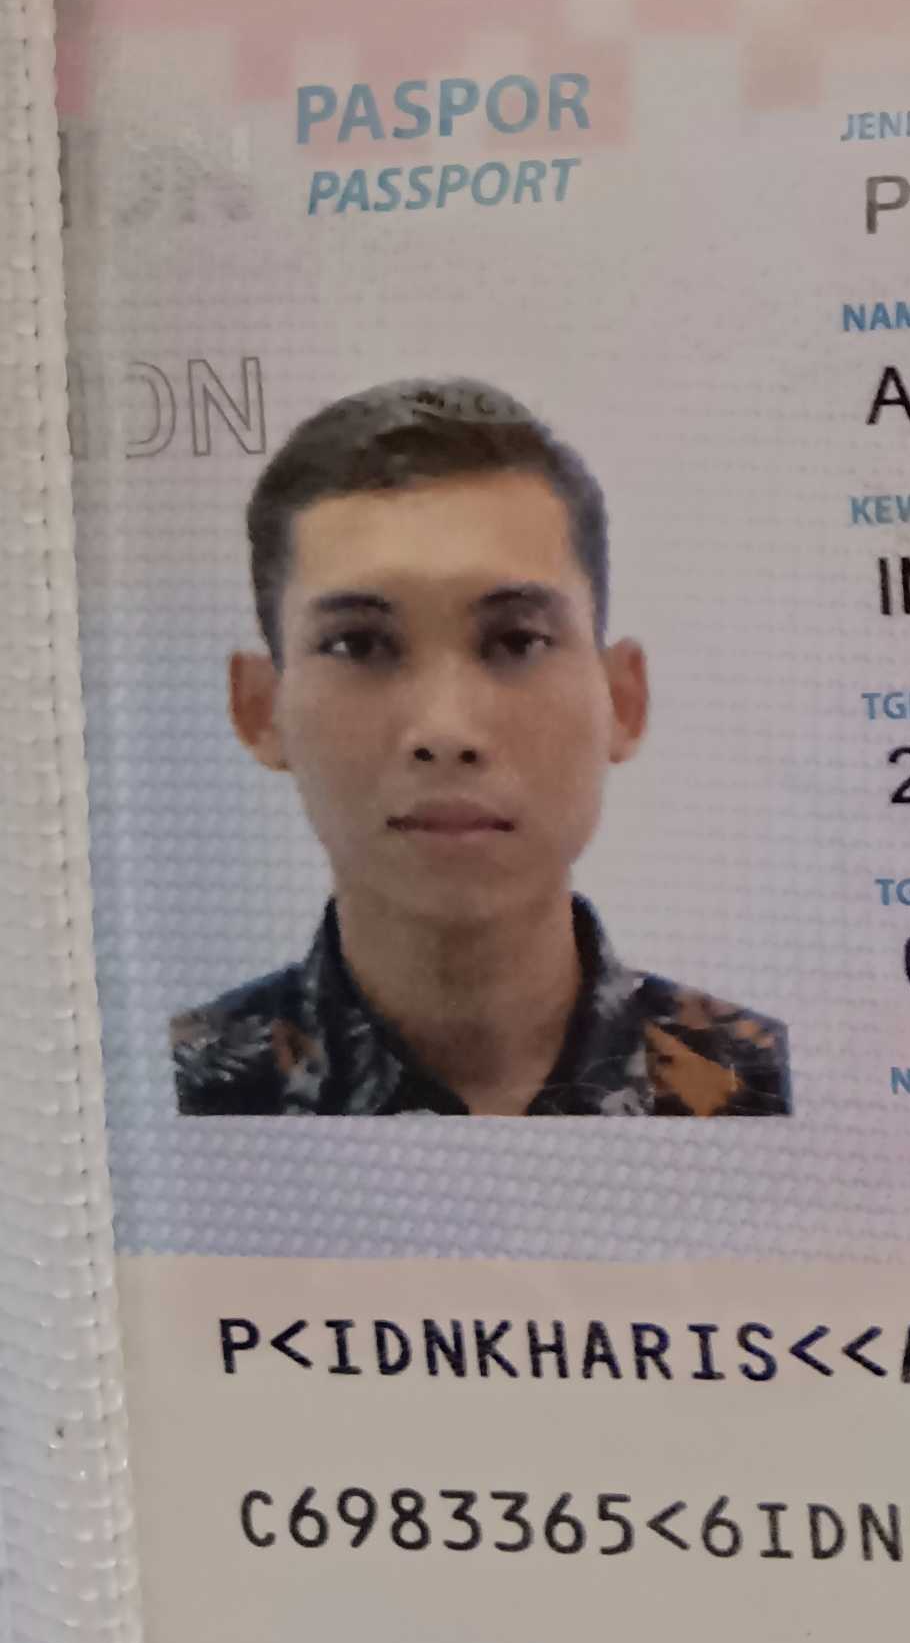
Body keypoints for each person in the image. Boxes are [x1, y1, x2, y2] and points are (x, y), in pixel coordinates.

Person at [173, 378, 789, 1117]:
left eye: (517, 640)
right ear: (260, 709)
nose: (446, 731)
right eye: (359, 644)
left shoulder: (764, 1085)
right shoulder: (172, 1095)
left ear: (623, 699)